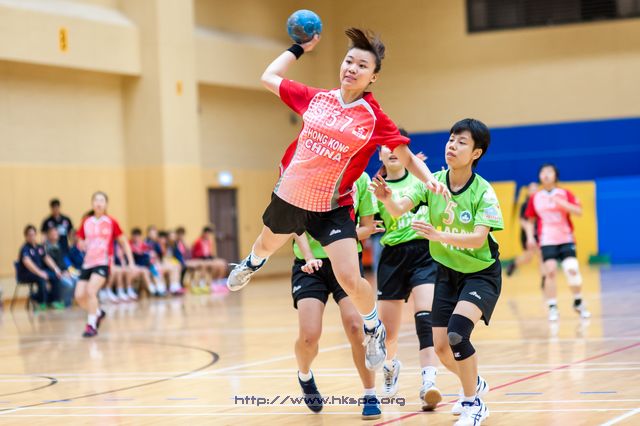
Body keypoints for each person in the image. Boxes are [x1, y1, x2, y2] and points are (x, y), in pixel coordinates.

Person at [226, 27, 447, 371]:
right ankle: (252, 263)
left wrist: (430, 179)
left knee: (349, 277)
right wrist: (299, 48)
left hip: (332, 206)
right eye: (349, 61)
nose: (352, 69)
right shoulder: (316, 98)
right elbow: (268, 76)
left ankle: (373, 327)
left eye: (362, 65)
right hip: (291, 195)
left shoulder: (373, 117)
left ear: (373, 77)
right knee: (266, 245)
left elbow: (405, 155)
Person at [372, 118, 501, 425]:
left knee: (457, 334)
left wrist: (438, 235)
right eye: (451, 139)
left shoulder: (483, 191)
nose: (452, 146)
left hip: (480, 274)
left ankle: (473, 404)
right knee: (442, 348)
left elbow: (478, 238)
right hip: (446, 273)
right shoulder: (432, 182)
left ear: (476, 153)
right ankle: (474, 383)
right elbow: (398, 209)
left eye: (461, 142)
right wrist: (387, 199)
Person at [291, 172, 384, 419]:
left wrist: (337, 235)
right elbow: (296, 225)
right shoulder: (308, 171)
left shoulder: (360, 178)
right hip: (309, 264)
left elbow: (367, 227)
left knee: (355, 326)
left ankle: (370, 394)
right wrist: (309, 256)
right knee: (309, 336)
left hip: (346, 261)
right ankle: (304, 375)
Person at [374, 139, 442, 410]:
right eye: (386, 147)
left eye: (397, 147)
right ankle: (390, 366)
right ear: (379, 153)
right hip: (392, 257)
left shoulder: (420, 179)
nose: (391, 151)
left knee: (426, 318)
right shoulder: (374, 187)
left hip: (424, 252)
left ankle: (429, 382)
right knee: (388, 332)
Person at [524, 164, 591, 321]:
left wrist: (562, 203)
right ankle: (552, 307)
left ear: (555, 176)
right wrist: (530, 237)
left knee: (572, 269)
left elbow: (579, 211)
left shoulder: (564, 193)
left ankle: (578, 302)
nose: (546, 175)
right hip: (547, 239)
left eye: (549, 172)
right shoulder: (535, 197)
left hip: (566, 238)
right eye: (542, 172)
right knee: (550, 272)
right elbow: (529, 220)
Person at [75, 192, 134, 337]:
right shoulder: (86, 222)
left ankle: (91, 325)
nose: (99, 203)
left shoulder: (111, 222)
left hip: (103, 262)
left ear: (106, 204)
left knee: (91, 291)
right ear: (92, 203)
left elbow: (124, 242)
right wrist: (81, 244)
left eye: (102, 200)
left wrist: (131, 262)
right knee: (79, 296)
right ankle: (98, 312)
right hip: (88, 263)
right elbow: (80, 240)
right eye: (96, 200)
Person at [506, 182, 545, 287]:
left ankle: (544, 278)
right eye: (532, 189)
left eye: (536, 189)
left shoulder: (541, 203)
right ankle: (514, 264)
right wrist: (530, 233)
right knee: (528, 257)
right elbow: (522, 220)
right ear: (528, 191)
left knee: (541, 254)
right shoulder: (525, 205)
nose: (534, 191)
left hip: (539, 233)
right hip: (527, 234)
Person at [17, 225, 63, 310]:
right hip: (27, 273)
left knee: (55, 276)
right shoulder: (25, 248)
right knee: (41, 279)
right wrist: (40, 273)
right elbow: (27, 263)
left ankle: (54, 301)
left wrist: (56, 269)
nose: (32, 237)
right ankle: (40, 302)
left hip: (39, 272)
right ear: (26, 236)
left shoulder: (39, 247)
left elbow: (46, 258)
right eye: (29, 235)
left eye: (33, 234)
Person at [43, 226, 77, 307]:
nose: (55, 235)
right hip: (54, 273)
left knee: (77, 279)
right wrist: (59, 271)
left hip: (64, 271)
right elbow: (47, 260)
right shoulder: (45, 248)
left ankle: (71, 302)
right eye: (53, 233)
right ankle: (65, 303)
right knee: (68, 284)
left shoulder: (60, 246)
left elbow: (64, 261)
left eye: (56, 233)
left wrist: (68, 271)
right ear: (48, 235)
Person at [192, 226, 228, 292]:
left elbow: (208, 253)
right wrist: (205, 257)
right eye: (207, 234)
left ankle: (218, 280)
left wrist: (211, 257)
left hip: (207, 258)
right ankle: (203, 281)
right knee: (207, 265)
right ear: (204, 233)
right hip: (200, 258)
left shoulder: (208, 241)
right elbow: (196, 254)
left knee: (222, 263)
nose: (208, 235)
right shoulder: (198, 241)